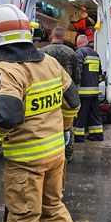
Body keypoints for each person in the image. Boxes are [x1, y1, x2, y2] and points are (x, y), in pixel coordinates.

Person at [0, 4, 80, 222]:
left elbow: (4, 118)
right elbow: (72, 102)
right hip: (55, 156)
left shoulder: (6, 71)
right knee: (54, 210)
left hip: (26, 162)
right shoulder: (49, 63)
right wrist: (62, 128)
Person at [42, 26, 81, 163]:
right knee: (67, 124)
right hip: (66, 93)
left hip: (47, 92)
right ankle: (67, 154)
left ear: (51, 35)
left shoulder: (43, 52)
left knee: (47, 122)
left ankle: (49, 152)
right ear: (63, 37)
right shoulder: (71, 52)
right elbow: (77, 75)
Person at [72, 34, 103, 142]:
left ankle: (79, 137)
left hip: (83, 91)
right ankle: (97, 135)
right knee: (94, 114)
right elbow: (100, 73)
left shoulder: (79, 53)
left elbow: (77, 71)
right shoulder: (95, 54)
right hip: (94, 90)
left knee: (80, 115)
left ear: (78, 43)